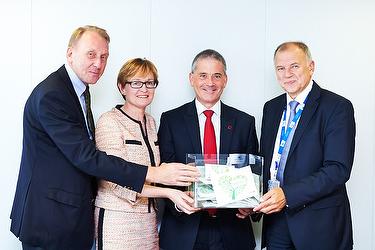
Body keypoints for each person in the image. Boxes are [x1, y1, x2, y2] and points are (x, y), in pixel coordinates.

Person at [10, 25, 199, 250]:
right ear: (70, 53)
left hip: (77, 217)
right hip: (52, 219)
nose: (98, 63)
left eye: (104, 57)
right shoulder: (54, 94)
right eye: (91, 54)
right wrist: (157, 175)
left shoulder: (79, 91)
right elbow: (87, 157)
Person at [253, 41, 355, 249]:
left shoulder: (337, 107)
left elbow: (338, 170)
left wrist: (287, 195)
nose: (287, 74)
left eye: (294, 66)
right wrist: (252, 201)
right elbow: (267, 162)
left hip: (319, 226)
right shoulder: (271, 108)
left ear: (311, 66)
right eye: (280, 68)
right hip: (276, 222)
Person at [158, 49, 259, 250]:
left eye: (217, 76)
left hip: (233, 232)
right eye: (203, 75)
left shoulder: (244, 122)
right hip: (183, 230)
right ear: (191, 79)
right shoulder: (171, 120)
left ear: (225, 80)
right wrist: (180, 204)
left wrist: (251, 207)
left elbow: (253, 176)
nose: (210, 82)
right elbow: (163, 173)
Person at [94, 58, 198, 249]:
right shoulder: (109, 122)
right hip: (118, 221)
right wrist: (169, 193)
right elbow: (117, 181)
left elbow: (156, 172)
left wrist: (188, 174)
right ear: (122, 87)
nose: (144, 89)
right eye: (136, 83)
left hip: (149, 220)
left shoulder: (150, 122)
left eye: (150, 83)